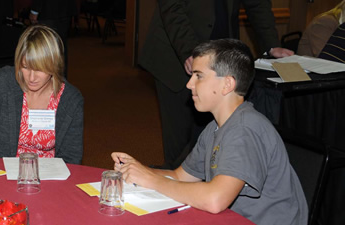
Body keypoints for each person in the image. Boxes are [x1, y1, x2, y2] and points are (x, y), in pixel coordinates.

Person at [114, 39, 307, 225]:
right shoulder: (216, 126)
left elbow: (215, 200)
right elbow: (181, 177)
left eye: (199, 75)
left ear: (227, 85)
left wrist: (151, 180)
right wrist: (137, 170)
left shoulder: (243, 130)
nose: (189, 84)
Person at [140, 0, 294, 169]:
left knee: (216, 133)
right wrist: (191, 52)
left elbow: (257, 4)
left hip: (222, 55)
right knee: (180, 140)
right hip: (176, 54)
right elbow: (172, 8)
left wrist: (271, 45)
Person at [0, 25, 84, 170]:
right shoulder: (2, 83)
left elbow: (71, 160)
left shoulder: (71, 99)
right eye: (25, 67)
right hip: (3, 176)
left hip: (49, 180)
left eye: (40, 69)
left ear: (54, 65)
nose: (31, 78)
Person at [29, 0, 77, 78]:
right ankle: (61, 82)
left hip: (48, 10)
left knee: (46, 48)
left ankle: (50, 81)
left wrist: (35, 10)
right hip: (65, 9)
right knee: (60, 47)